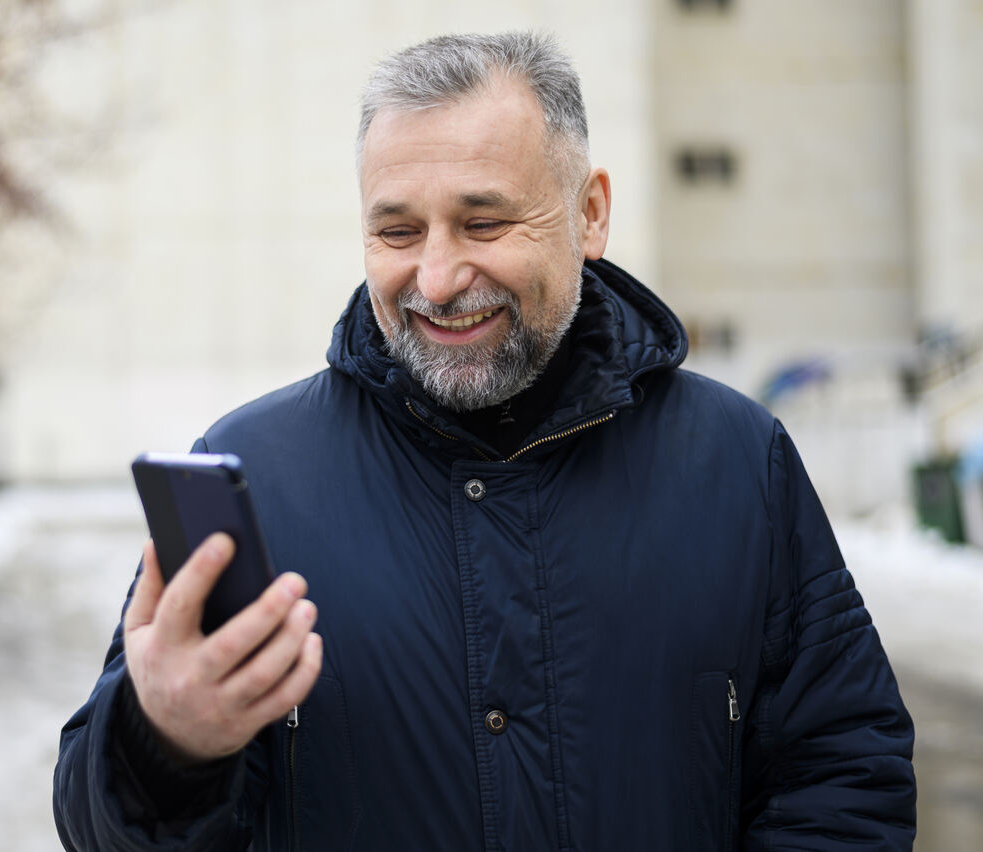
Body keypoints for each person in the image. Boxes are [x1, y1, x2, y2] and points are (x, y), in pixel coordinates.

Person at [53, 31, 916, 851]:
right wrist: (163, 743)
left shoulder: (736, 460)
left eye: (484, 224)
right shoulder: (252, 476)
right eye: (397, 232)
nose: (436, 278)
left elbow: (843, 771)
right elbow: (105, 828)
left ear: (589, 213)